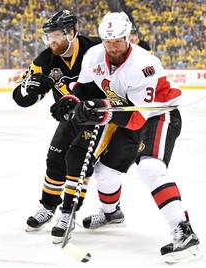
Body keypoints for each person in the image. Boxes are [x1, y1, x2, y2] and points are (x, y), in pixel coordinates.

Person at [52, 11, 201, 263]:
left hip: (157, 115)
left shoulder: (145, 64)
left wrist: (99, 111)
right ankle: (112, 214)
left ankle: (184, 232)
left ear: (128, 37)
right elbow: (86, 87)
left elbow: (137, 118)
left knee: (150, 168)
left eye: (118, 41)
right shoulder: (94, 55)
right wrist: (73, 101)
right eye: (108, 42)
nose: (112, 47)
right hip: (123, 115)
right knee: (105, 174)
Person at [12, 10, 125, 244]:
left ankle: (67, 212)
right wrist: (29, 89)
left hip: (97, 116)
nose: (51, 41)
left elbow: (130, 56)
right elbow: (22, 99)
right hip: (69, 116)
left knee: (77, 161)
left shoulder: (95, 49)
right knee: (54, 158)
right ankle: (47, 207)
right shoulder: (45, 60)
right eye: (48, 36)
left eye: (56, 35)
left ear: (72, 33)